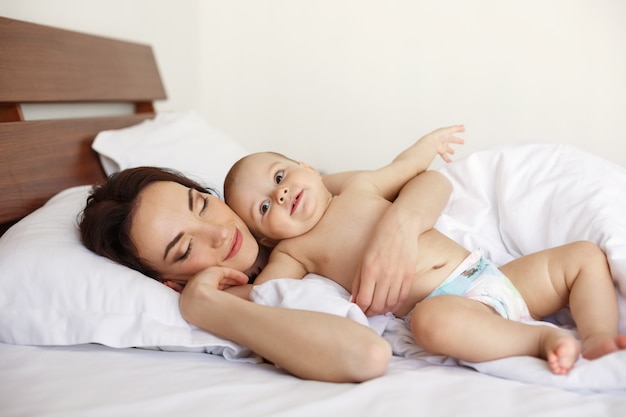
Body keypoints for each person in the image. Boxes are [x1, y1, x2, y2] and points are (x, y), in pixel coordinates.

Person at [223, 125, 626, 375]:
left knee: (584, 256)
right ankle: (536, 341)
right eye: (263, 207)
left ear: (306, 168)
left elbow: (405, 169)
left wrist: (427, 143)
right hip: (449, 307)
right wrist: (215, 288)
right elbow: (263, 296)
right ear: (267, 238)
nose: (281, 194)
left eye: (280, 176)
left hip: (491, 276)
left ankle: (598, 336)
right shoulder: (293, 252)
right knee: (431, 324)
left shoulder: (356, 187)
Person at [80, 164, 448, 382]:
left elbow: (433, 179)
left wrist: (397, 229)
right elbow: (365, 354)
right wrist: (207, 306)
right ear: (171, 283)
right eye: (186, 248)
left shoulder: (290, 207)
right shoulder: (271, 297)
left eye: (203, 206)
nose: (221, 233)